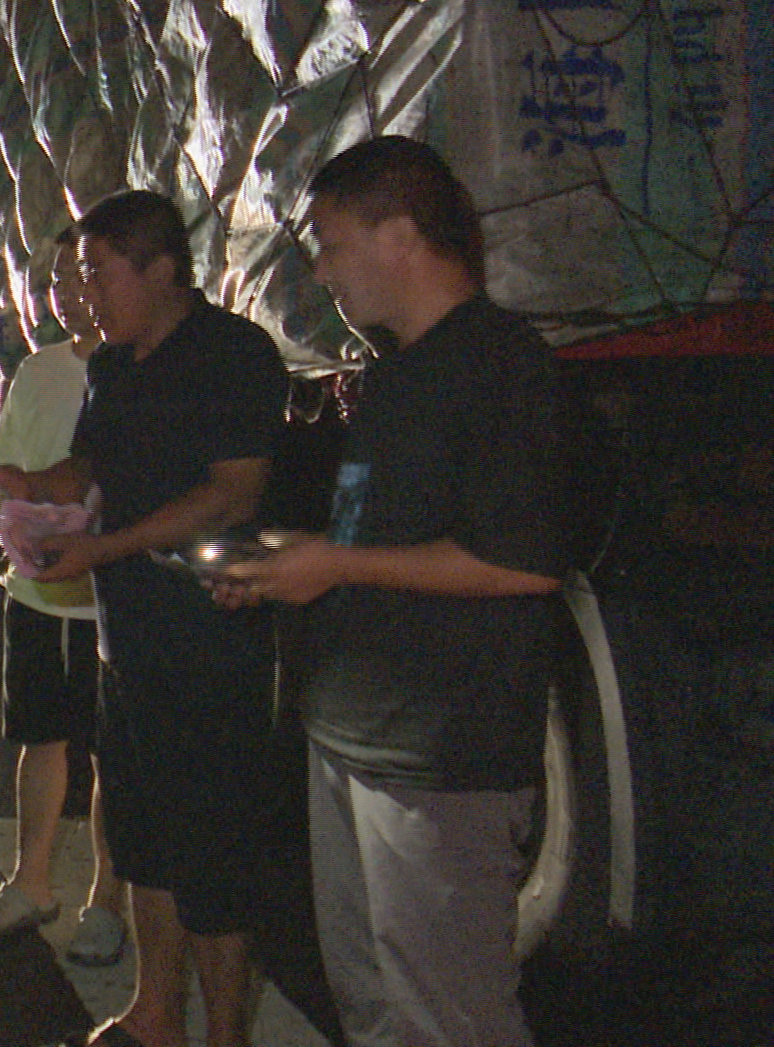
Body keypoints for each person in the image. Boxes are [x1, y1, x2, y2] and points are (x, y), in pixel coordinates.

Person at [214, 136, 570, 1047]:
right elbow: (381, 541)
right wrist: (294, 564)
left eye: (330, 242)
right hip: (352, 740)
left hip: (437, 764)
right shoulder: (398, 370)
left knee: (450, 1018)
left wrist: (333, 564)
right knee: (371, 1003)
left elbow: (521, 562)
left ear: (401, 234)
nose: (322, 270)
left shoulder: (497, 363)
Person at [0, 191, 289, 1047]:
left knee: (214, 852)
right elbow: (89, 468)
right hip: (127, 646)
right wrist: (16, 481)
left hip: (211, 643)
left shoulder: (233, 353)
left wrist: (108, 548)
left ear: (159, 268)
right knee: (145, 837)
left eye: (96, 272)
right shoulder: (113, 367)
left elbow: (232, 490)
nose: (85, 293)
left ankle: (224, 1031)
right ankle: (157, 1013)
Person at [0, 231, 130, 968]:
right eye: (57, 276)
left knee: (115, 755)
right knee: (40, 737)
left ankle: (107, 901)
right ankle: (32, 884)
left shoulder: (142, 368)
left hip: (113, 595)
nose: (67, 289)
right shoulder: (36, 371)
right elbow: (15, 469)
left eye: (82, 273)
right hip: (36, 590)